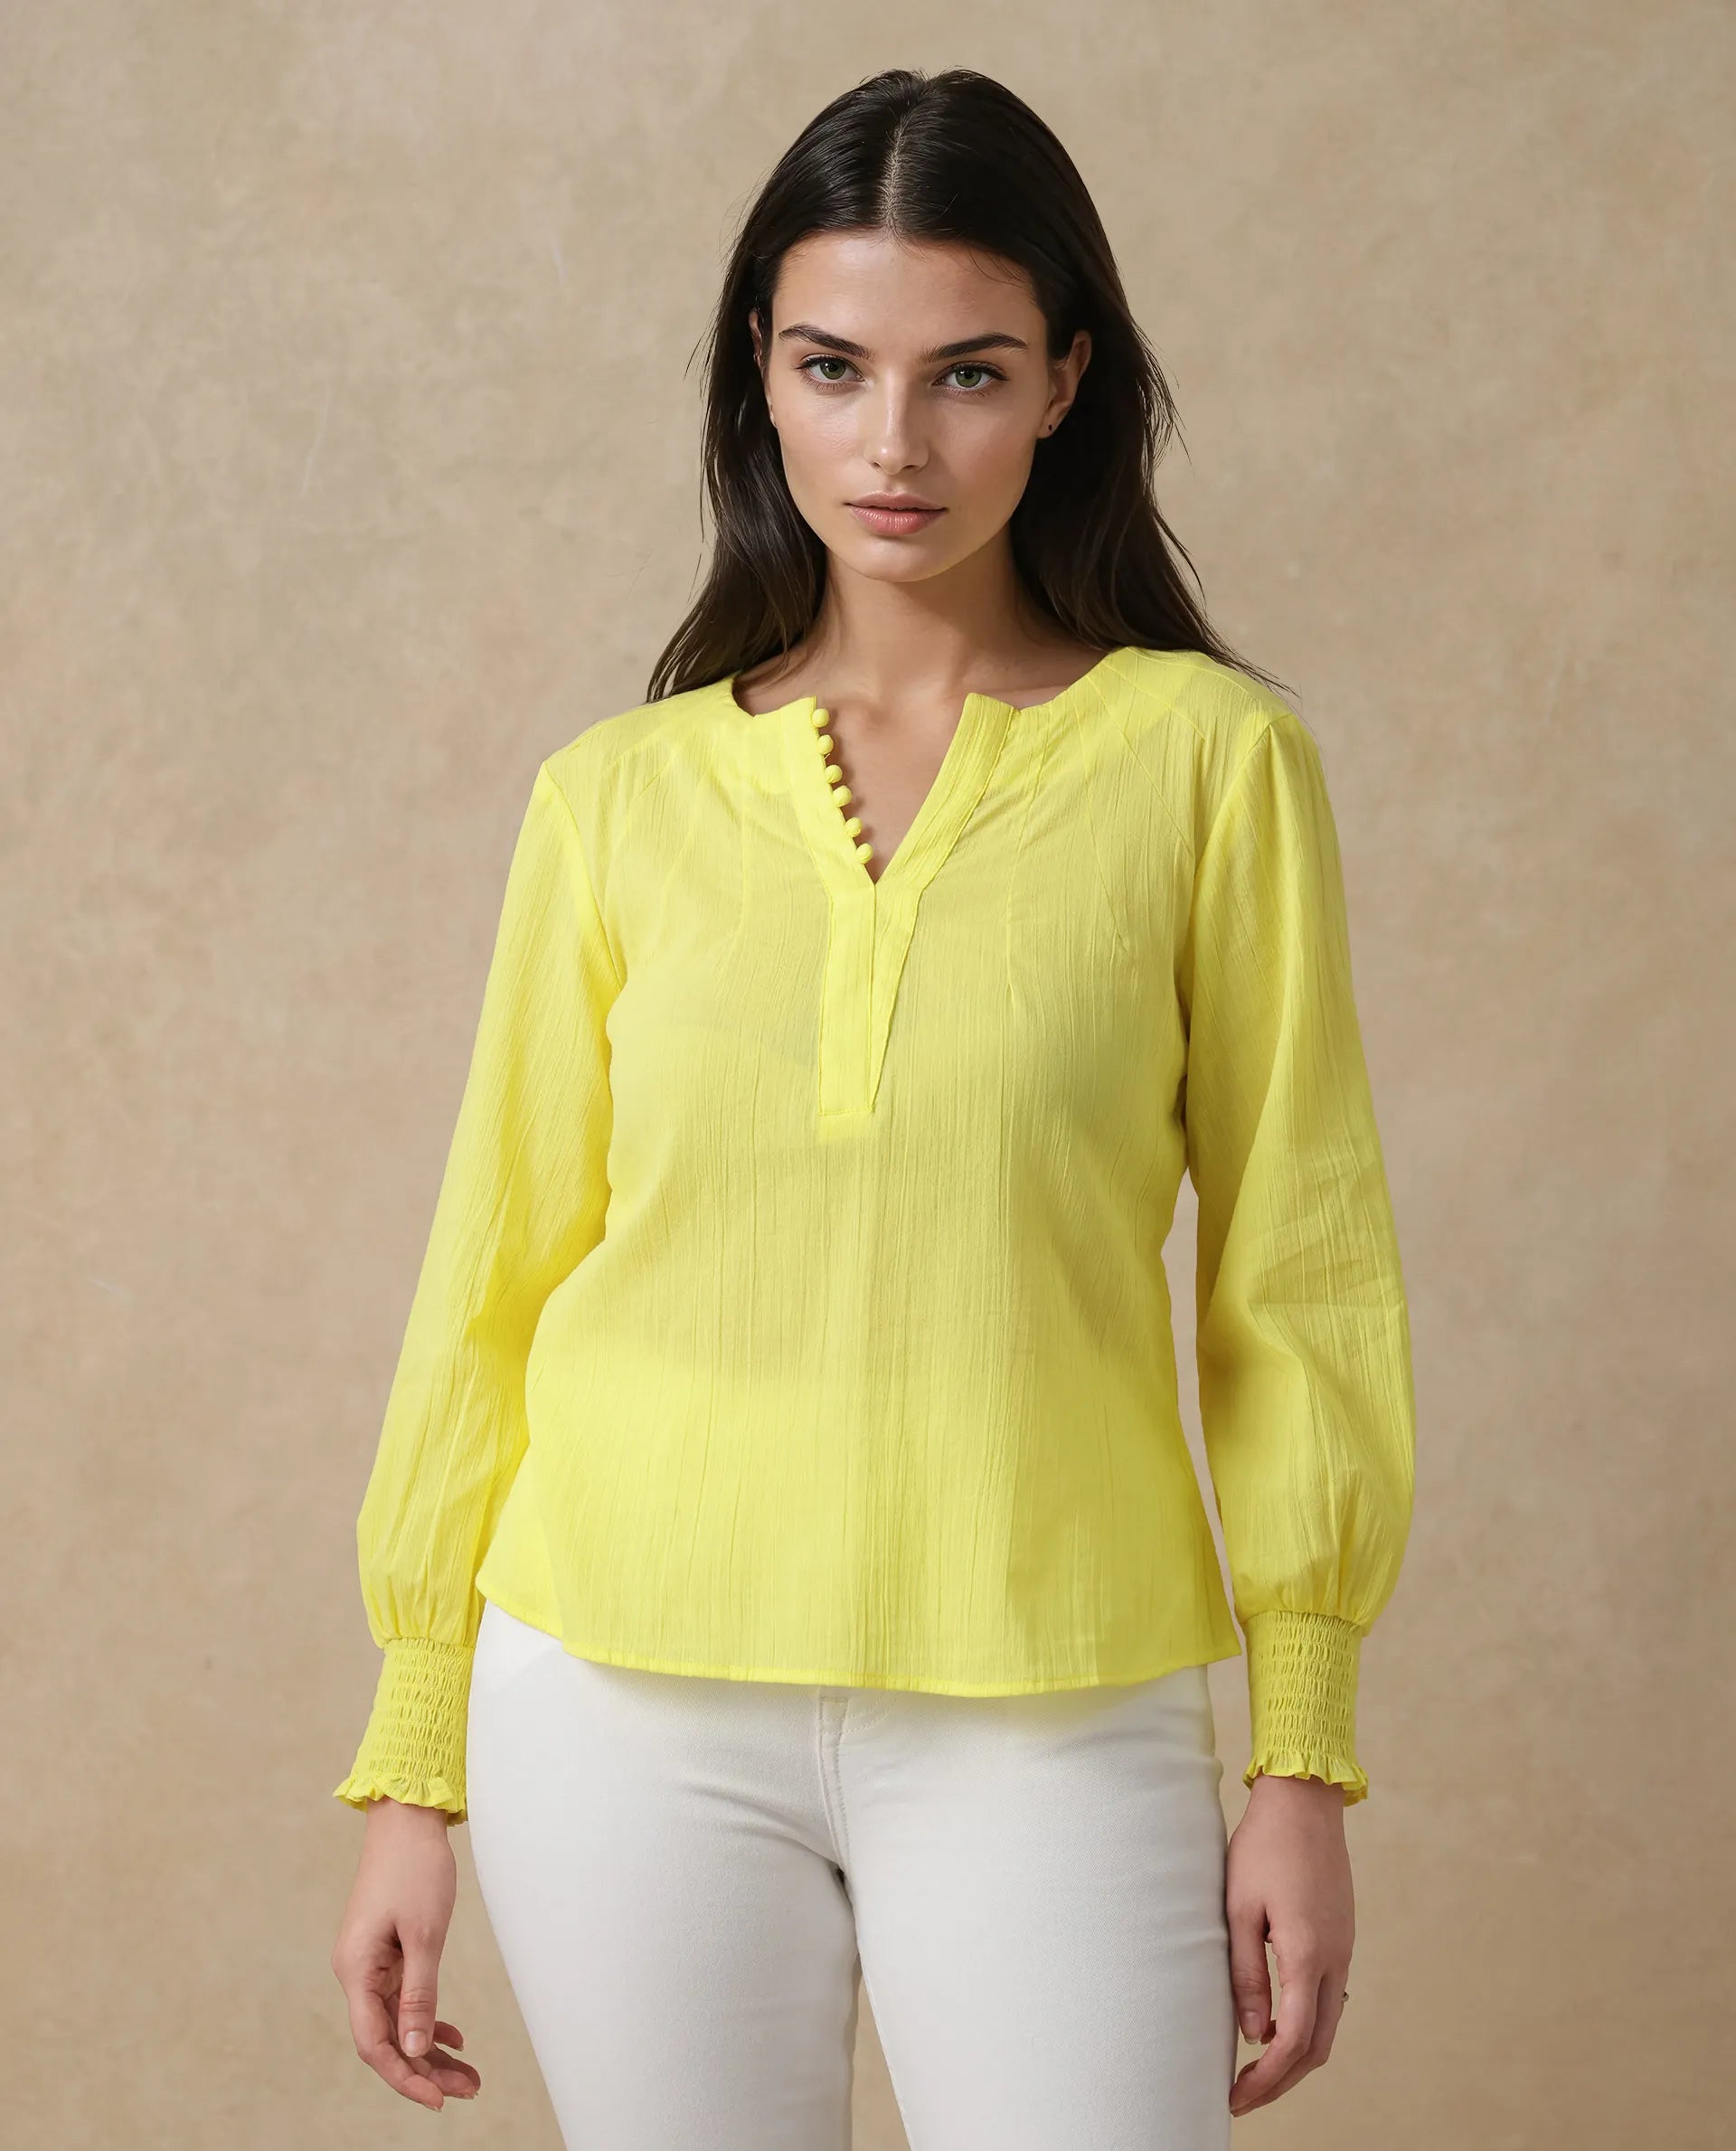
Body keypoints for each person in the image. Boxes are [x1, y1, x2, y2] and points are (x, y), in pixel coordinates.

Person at [328, 63, 1416, 2149]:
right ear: (761, 373)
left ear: (1069, 381)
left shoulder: (1212, 768)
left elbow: (1302, 1275)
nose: (894, 445)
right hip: (613, 1696)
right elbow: (490, 1278)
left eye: (968, 372)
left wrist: (1303, 1747)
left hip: (1048, 1689)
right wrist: (413, 1754)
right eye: (833, 366)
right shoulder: (615, 798)